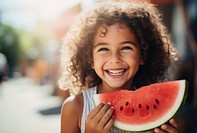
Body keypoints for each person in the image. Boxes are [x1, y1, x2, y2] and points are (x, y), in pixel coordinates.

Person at [58, 1, 180, 133]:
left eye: (126, 48)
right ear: (90, 59)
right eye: (104, 49)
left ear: (143, 55)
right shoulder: (76, 107)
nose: (115, 59)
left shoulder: (159, 106)